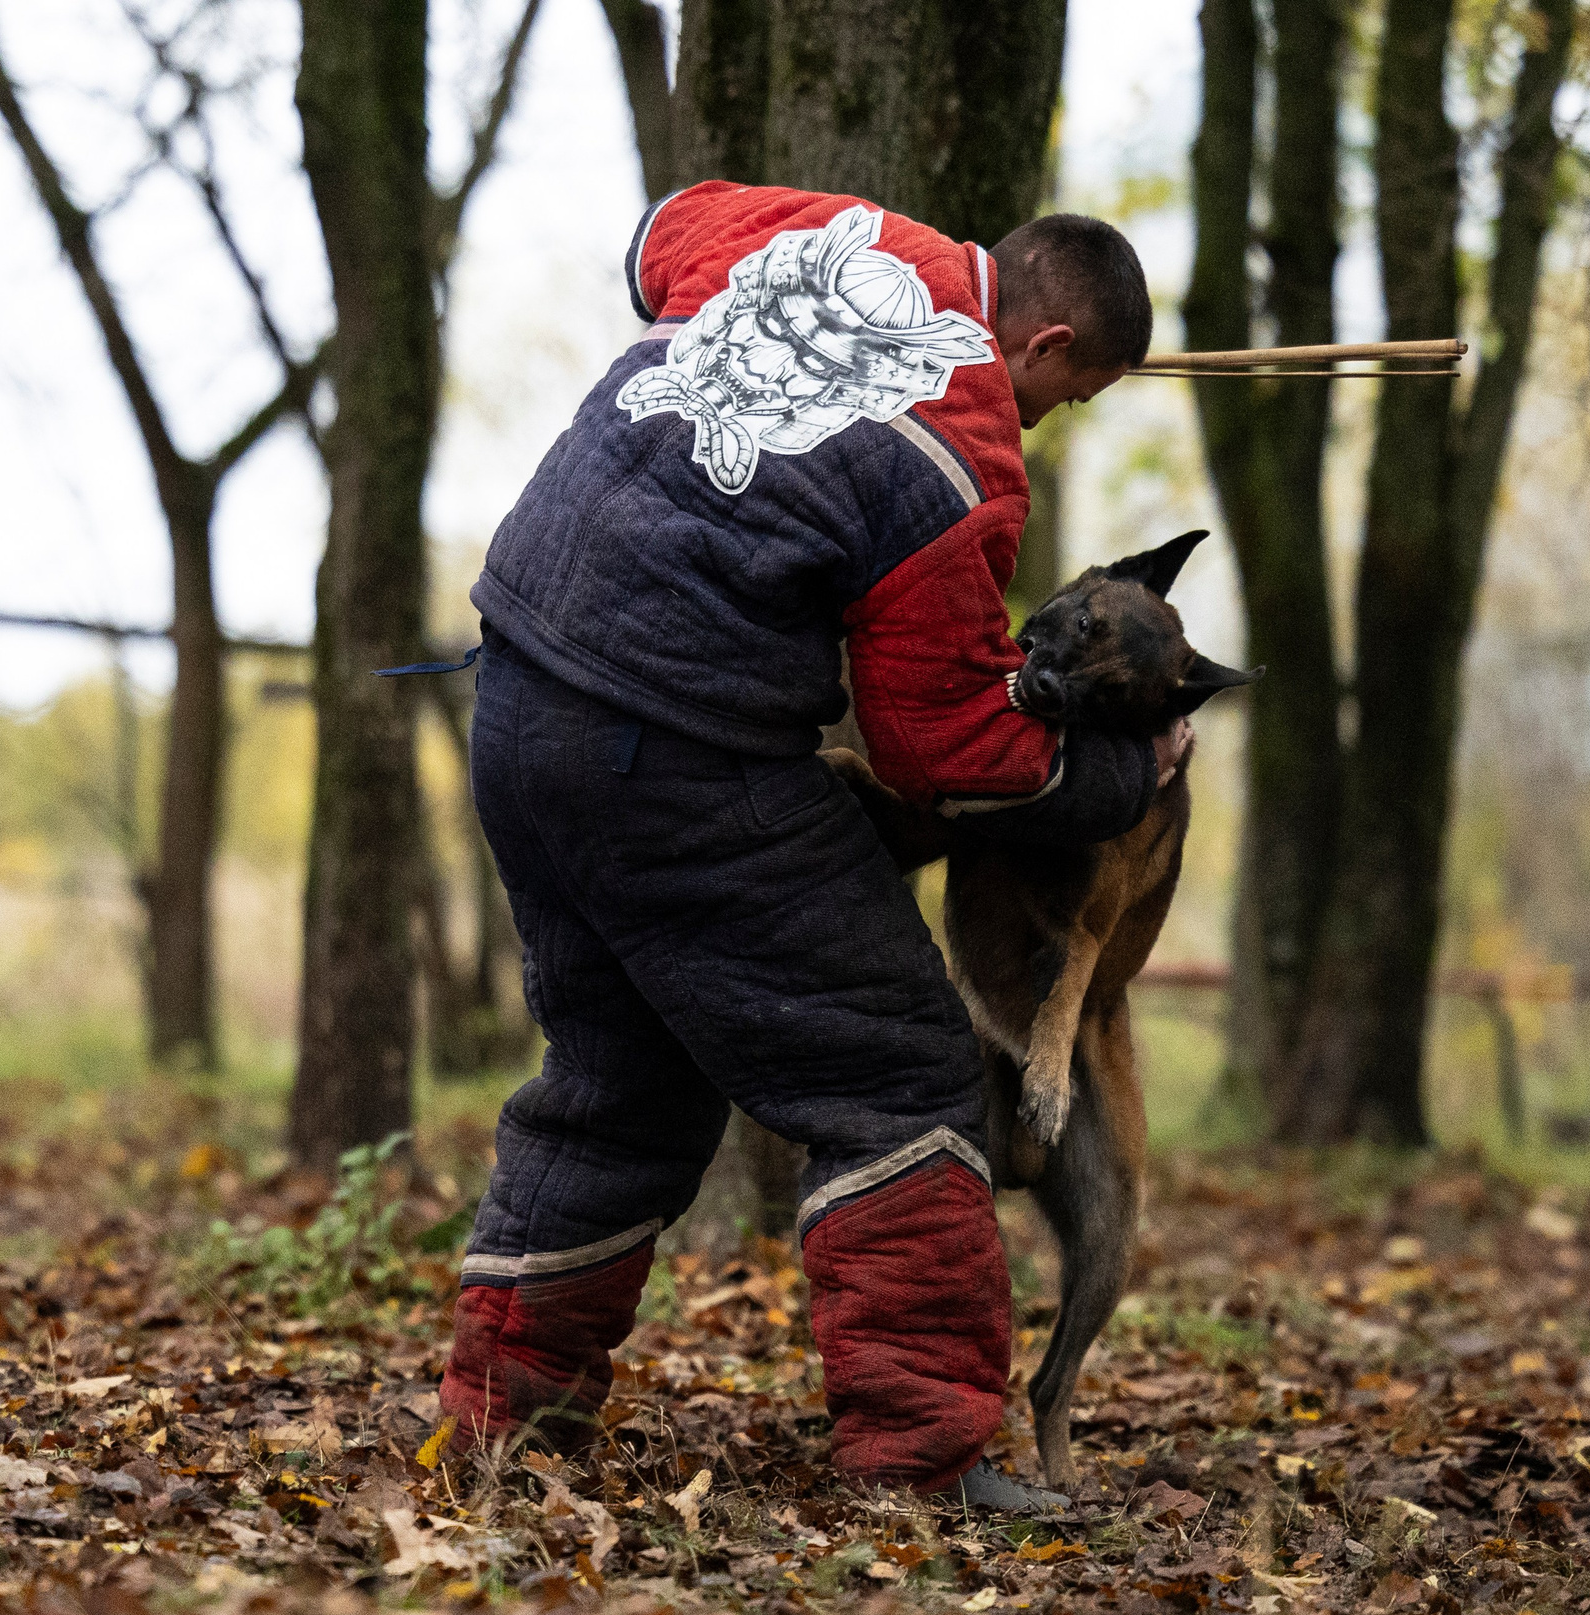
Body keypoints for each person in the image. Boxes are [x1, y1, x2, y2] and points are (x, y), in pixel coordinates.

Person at [442, 183, 1187, 1512]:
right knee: (894, 1064)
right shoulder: (967, 452)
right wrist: (1121, 766)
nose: (1042, 421)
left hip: (516, 693)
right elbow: (937, 747)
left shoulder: (817, 231)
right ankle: (925, 1456)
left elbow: (658, 234)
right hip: (669, 746)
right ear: (1050, 351)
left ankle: (500, 1425)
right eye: (1062, 400)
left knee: (623, 1080)